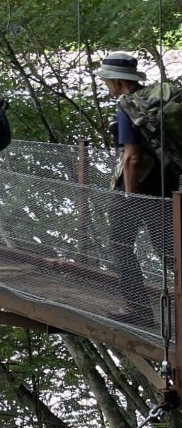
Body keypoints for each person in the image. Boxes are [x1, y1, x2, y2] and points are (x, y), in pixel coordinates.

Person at [97, 52, 175, 324]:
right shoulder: (152, 101)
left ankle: (138, 309)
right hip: (164, 185)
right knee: (169, 249)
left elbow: (131, 157)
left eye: (106, 79)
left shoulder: (126, 107)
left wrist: (129, 196)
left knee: (120, 245)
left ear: (117, 81)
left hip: (135, 188)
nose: (105, 84)